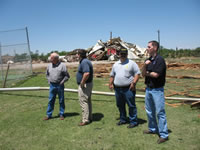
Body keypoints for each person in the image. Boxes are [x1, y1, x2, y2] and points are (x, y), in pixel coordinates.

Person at [142, 40, 169, 144]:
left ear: (155, 48)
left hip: (157, 90)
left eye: (149, 47)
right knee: (149, 111)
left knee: (160, 112)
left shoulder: (160, 60)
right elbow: (143, 74)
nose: (147, 48)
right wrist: (145, 66)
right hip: (148, 89)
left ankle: (164, 135)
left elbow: (156, 75)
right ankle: (152, 128)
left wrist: (148, 72)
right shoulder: (148, 60)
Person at [109, 48, 140, 128]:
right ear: (119, 54)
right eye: (121, 54)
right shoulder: (115, 64)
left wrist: (134, 83)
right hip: (118, 89)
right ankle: (123, 119)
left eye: (124, 54)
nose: (122, 55)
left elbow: (137, 74)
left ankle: (133, 121)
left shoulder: (132, 63)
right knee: (120, 105)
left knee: (131, 105)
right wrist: (110, 83)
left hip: (128, 88)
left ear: (127, 54)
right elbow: (112, 75)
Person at [44, 52, 70, 120]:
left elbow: (67, 76)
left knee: (61, 100)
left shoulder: (62, 66)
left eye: (51, 58)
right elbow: (47, 74)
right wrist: (49, 81)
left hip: (60, 86)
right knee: (51, 100)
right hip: (52, 85)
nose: (50, 59)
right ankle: (48, 115)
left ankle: (62, 114)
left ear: (56, 58)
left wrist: (62, 82)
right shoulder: (49, 65)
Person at [76, 49, 93, 126]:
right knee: (87, 101)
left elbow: (86, 73)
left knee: (83, 102)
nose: (76, 55)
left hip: (85, 85)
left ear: (79, 55)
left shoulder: (84, 62)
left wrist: (82, 83)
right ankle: (89, 117)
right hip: (88, 84)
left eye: (77, 54)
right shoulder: (85, 61)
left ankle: (85, 120)